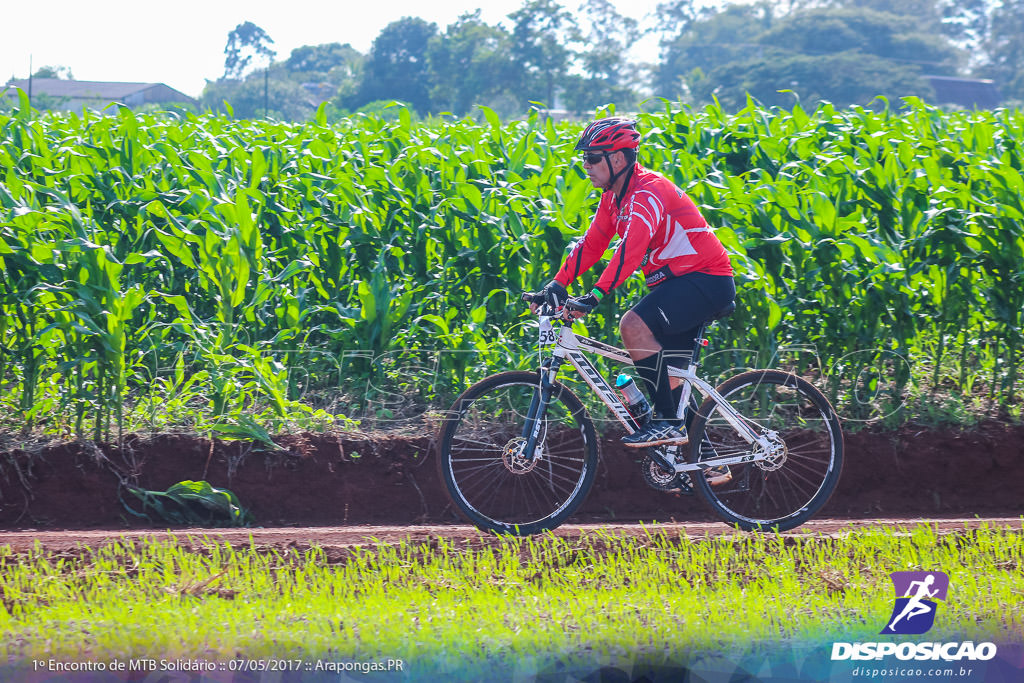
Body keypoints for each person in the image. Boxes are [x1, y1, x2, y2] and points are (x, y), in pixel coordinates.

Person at [528, 117, 736, 448]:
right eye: (584, 159)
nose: (586, 166)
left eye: (593, 158)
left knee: (633, 326)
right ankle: (704, 461)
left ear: (619, 159)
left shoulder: (647, 193)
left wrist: (593, 296)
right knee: (668, 380)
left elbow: (629, 251)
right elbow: (593, 244)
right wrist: (558, 283)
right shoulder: (615, 197)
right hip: (678, 284)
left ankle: (668, 424)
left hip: (705, 280)